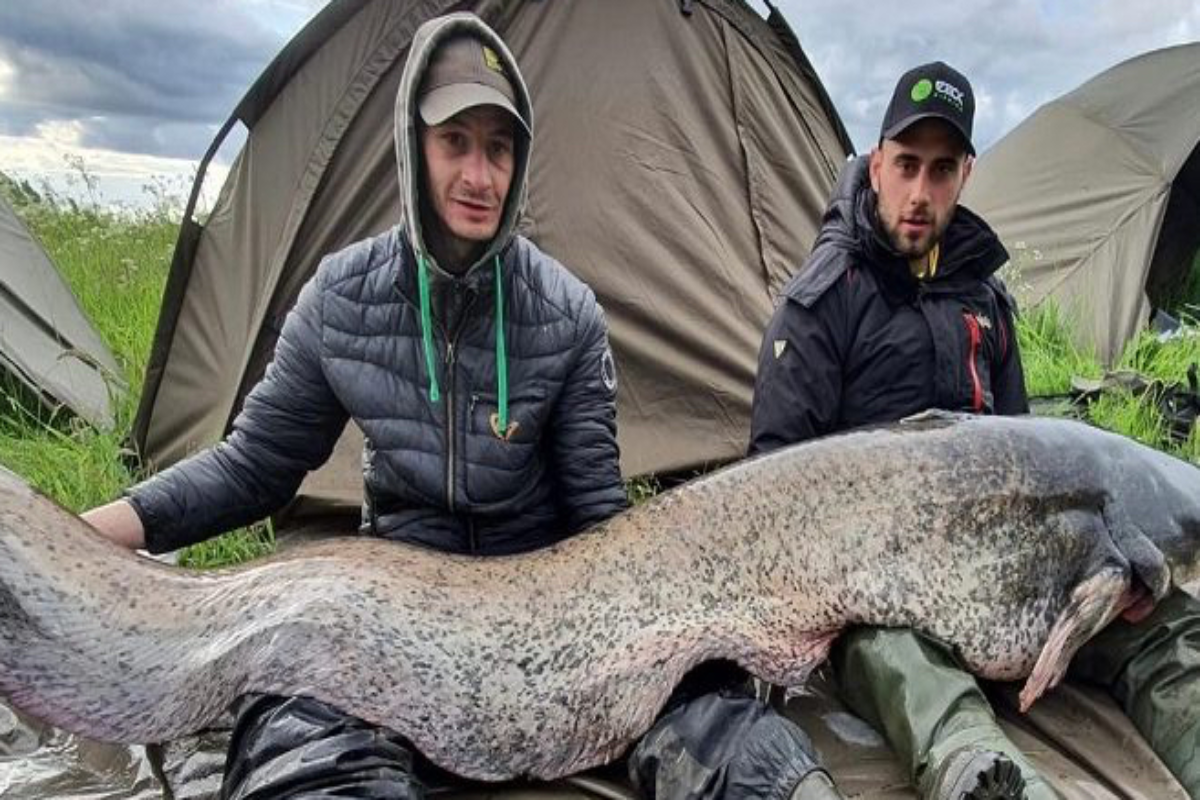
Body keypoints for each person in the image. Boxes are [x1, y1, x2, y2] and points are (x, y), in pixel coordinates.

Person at [83, 13, 630, 798]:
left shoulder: (567, 312)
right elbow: (253, 469)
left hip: (531, 604)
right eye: (455, 143)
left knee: (709, 711)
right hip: (385, 609)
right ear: (413, 147)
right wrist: (91, 536)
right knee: (298, 739)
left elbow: (601, 519)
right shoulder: (342, 298)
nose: (479, 177)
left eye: (498, 149)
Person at [749, 61, 1200, 800]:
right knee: (894, 654)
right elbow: (771, 483)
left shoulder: (988, 300)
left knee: (1167, 631)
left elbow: (1029, 458)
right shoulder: (822, 303)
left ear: (966, 173)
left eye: (942, 170)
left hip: (1015, 573)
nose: (921, 193)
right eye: (906, 166)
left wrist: (1108, 569)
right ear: (875, 162)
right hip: (880, 586)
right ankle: (983, 775)